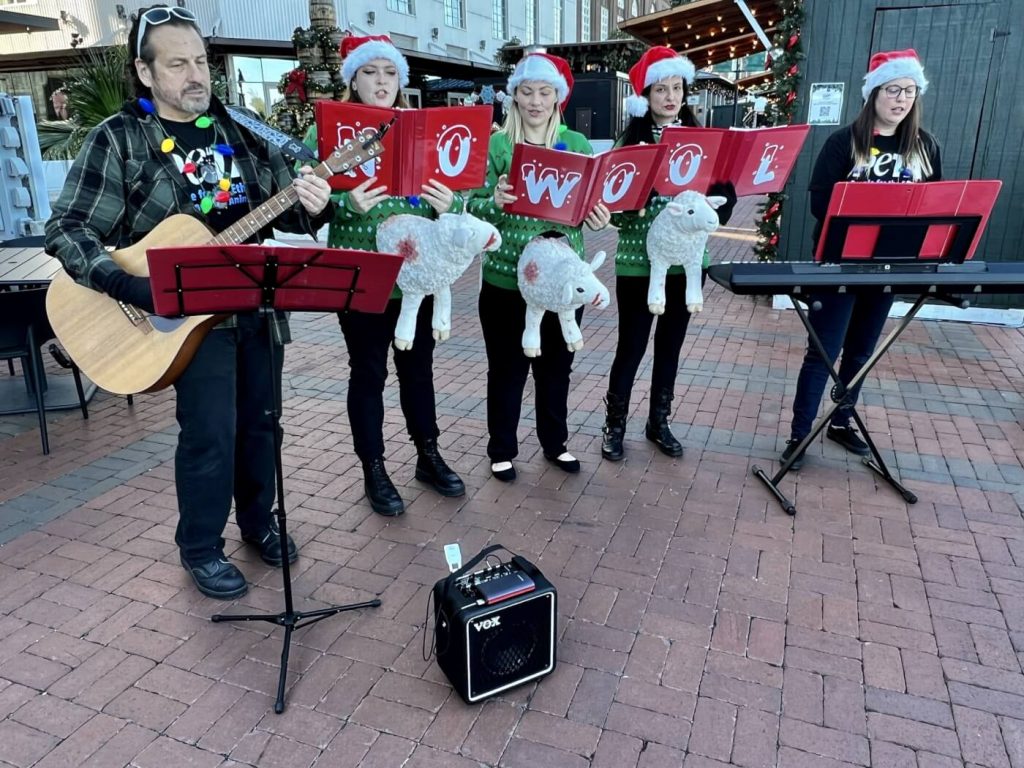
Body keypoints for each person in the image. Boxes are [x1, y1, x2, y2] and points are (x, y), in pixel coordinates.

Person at [44, 5, 334, 599]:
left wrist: (316, 199)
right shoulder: (120, 137)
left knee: (262, 426)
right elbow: (68, 229)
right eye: (178, 64)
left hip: (255, 304)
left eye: (201, 61)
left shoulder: (243, 126)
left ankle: (258, 523)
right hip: (185, 318)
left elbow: (294, 206)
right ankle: (201, 548)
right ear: (146, 73)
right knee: (209, 434)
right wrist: (127, 284)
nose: (196, 74)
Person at [303, 35, 465, 516]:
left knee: (418, 370)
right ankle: (373, 467)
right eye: (370, 72)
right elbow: (303, 202)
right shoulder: (327, 132)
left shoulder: (421, 130)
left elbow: (462, 196)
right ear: (352, 78)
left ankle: (427, 454)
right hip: (361, 273)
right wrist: (341, 203)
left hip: (419, 273)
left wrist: (451, 204)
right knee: (368, 372)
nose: (380, 81)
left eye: (389, 73)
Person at [781, 49, 941, 470]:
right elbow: (819, 201)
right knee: (823, 351)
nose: (901, 99)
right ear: (873, 94)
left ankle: (841, 421)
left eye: (909, 91)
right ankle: (799, 434)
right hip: (839, 265)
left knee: (861, 352)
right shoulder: (843, 143)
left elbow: (935, 203)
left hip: (887, 268)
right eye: (893, 90)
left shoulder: (925, 147)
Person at [469, 53, 611, 482]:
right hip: (507, 279)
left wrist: (597, 217)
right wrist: (490, 202)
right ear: (514, 95)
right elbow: (468, 207)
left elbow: (590, 204)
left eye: (544, 92)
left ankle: (555, 443)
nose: (535, 101)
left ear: (557, 97)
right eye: (527, 91)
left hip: (564, 280)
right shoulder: (497, 145)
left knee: (556, 367)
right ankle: (502, 448)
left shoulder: (578, 144)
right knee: (508, 369)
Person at [602, 46, 737, 462]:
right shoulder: (630, 142)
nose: (670, 97)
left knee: (670, 345)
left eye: (677, 87)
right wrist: (634, 206)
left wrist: (723, 200)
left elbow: (722, 194)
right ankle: (615, 424)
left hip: (687, 264)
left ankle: (659, 422)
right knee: (633, 343)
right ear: (645, 94)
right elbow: (615, 212)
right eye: (661, 89)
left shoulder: (702, 139)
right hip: (638, 263)